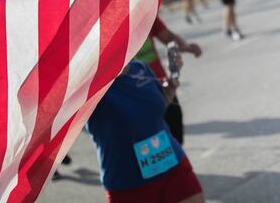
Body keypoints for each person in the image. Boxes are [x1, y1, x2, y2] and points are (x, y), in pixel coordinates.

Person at [86, 59, 205, 203]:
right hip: (129, 184)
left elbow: (153, 109)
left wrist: (169, 92)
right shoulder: (88, 87)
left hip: (173, 165)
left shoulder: (139, 68)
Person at [134, 16, 202, 144]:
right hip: (136, 98)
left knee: (175, 139)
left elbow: (167, 37)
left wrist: (187, 47)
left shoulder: (142, 11)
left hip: (162, 88)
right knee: (156, 150)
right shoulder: (105, 27)